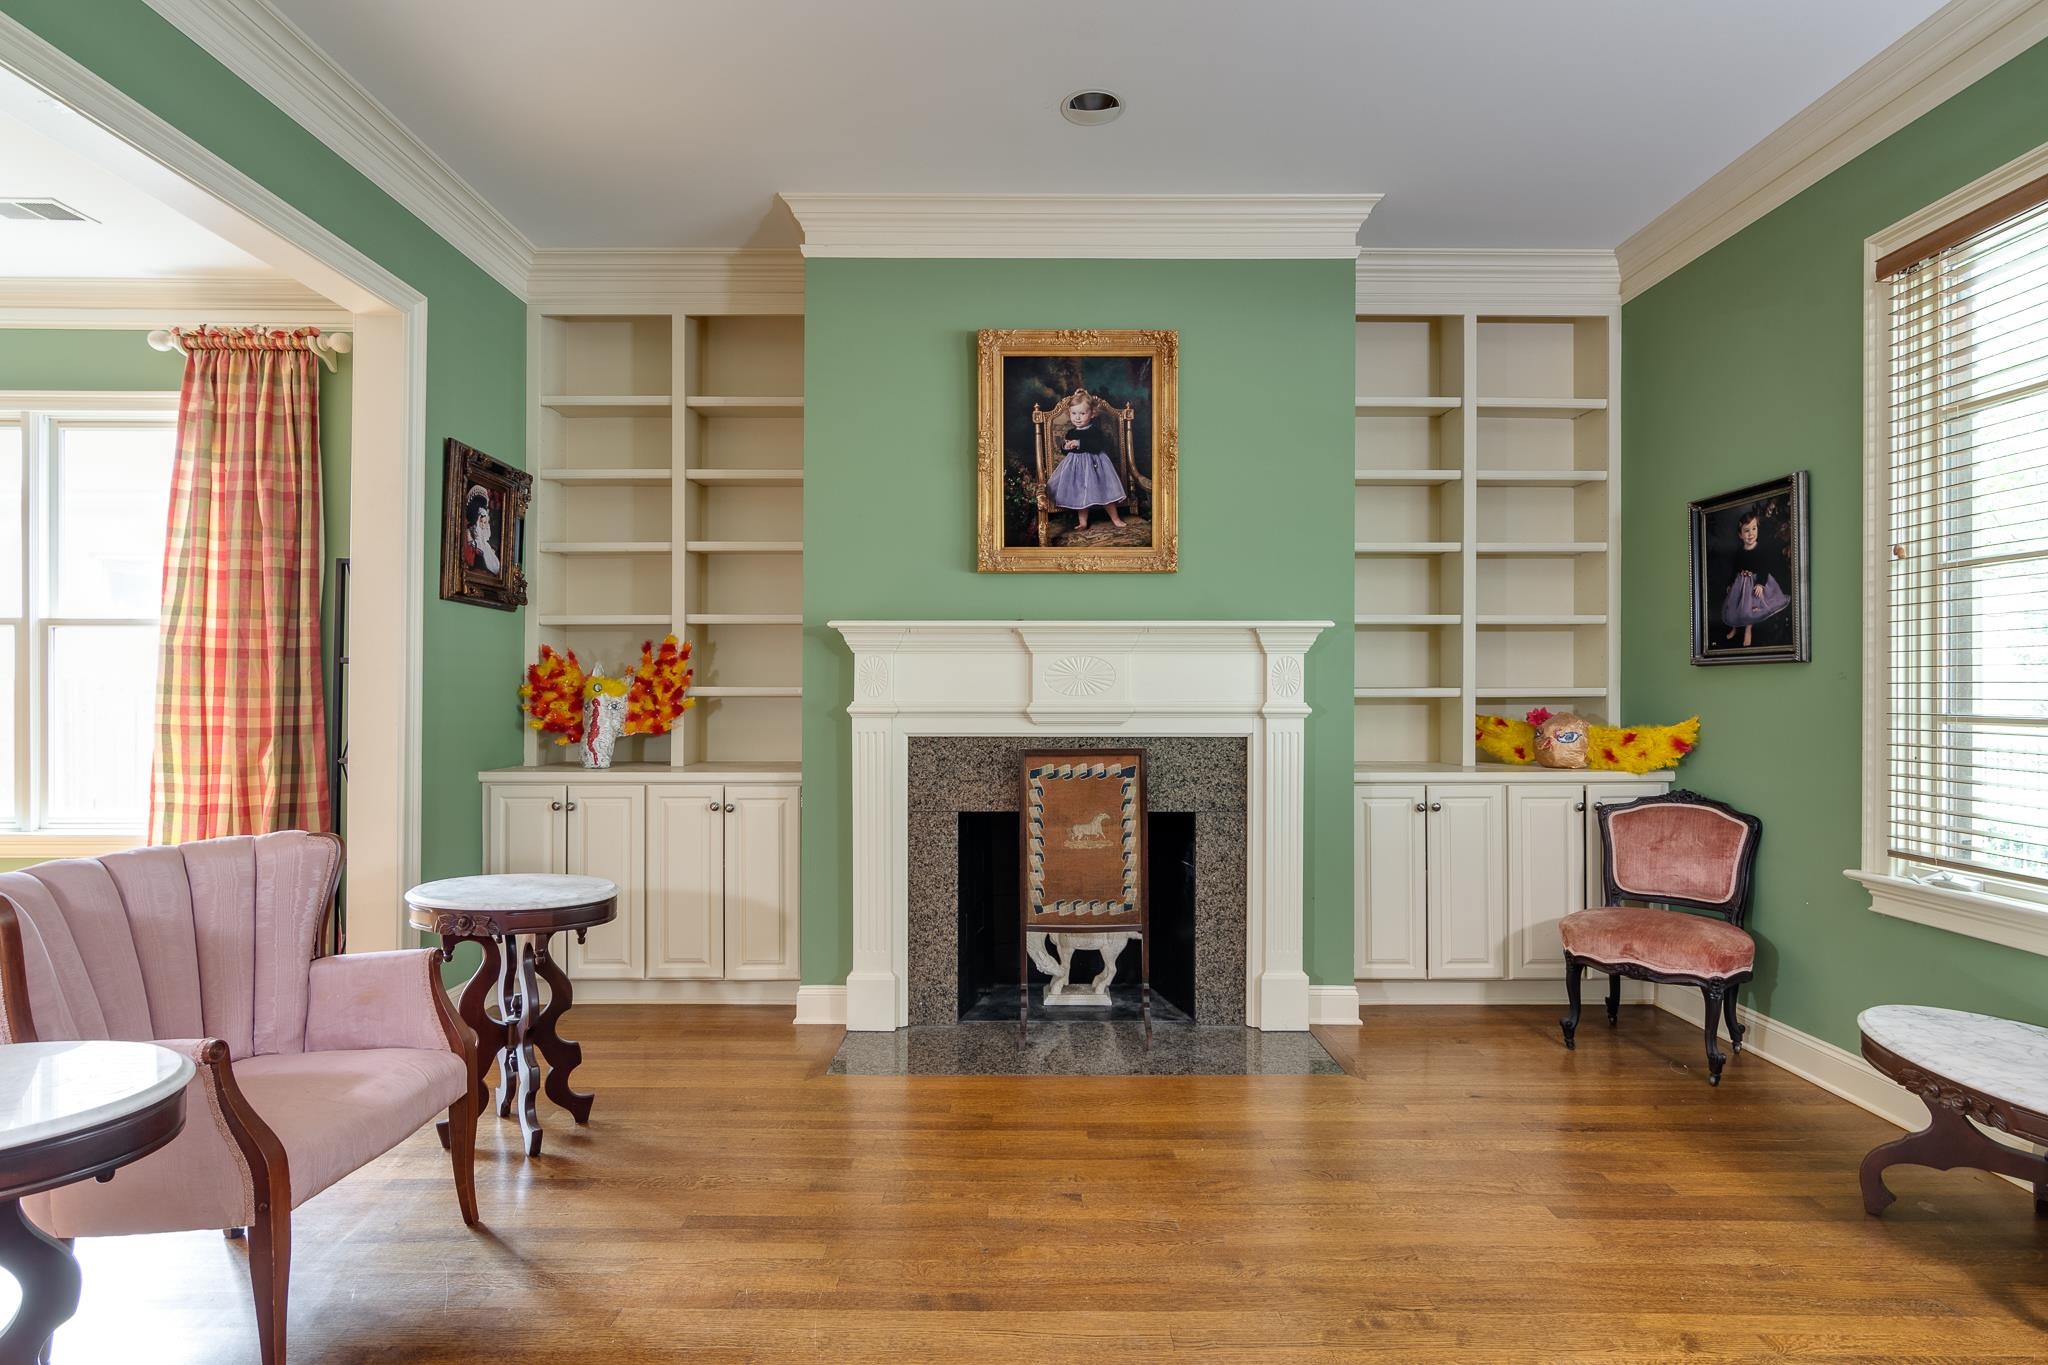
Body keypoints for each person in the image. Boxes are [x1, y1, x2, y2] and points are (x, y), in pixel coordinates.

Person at [1043, 388, 1125, 531]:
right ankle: (1083, 522)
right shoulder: (1071, 432)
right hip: (1076, 468)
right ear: (1070, 413)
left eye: (1082, 413)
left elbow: (1097, 446)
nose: (1077, 417)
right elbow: (1065, 451)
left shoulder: (1095, 431)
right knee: (1080, 494)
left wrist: (1079, 443)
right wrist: (1066, 446)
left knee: (1105, 491)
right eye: (1074, 413)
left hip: (1096, 466)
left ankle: (1115, 518)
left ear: (1092, 414)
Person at [1720, 503, 1790, 647]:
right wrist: (1730, 583)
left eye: (1754, 529)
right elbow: (1735, 569)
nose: (1751, 534)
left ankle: (1748, 629)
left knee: (1750, 608)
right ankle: (1734, 628)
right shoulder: (1740, 551)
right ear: (1740, 535)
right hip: (1740, 583)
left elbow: (1764, 569)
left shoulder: (1760, 550)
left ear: (1758, 529)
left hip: (1754, 582)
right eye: (1746, 531)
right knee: (1734, 606)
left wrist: (1760, 584)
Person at [462, 484, 502, 574]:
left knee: (493, 561)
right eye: (481, 522)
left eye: (485, 522)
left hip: (484, 546)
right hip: (478, 545)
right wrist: (474, 544)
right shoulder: (472, 528)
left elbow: (486, 537)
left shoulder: (484, 529)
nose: (483, 525)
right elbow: (472, 541)